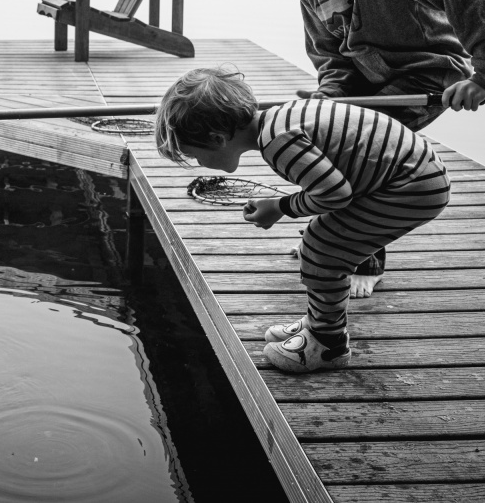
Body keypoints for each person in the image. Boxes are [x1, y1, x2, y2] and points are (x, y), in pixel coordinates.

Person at [244, 0, 485, 298]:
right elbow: (330, 58)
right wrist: (327, 101)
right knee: (324, 131)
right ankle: (335, 233)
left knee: (355, 149)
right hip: (371, 84)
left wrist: (484, 73)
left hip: (427, 75)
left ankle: (360, 254)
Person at [155, 67, 451, 373]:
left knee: (322, 248)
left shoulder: (277, 143)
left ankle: (327, 344)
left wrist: (280, 207)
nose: (198, 163)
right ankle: (319, 322)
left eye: (193, 155)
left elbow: (335, 194)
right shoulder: (279, 119)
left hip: (409, 188)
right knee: (321, 239)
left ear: (217, 139)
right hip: (411, 176)